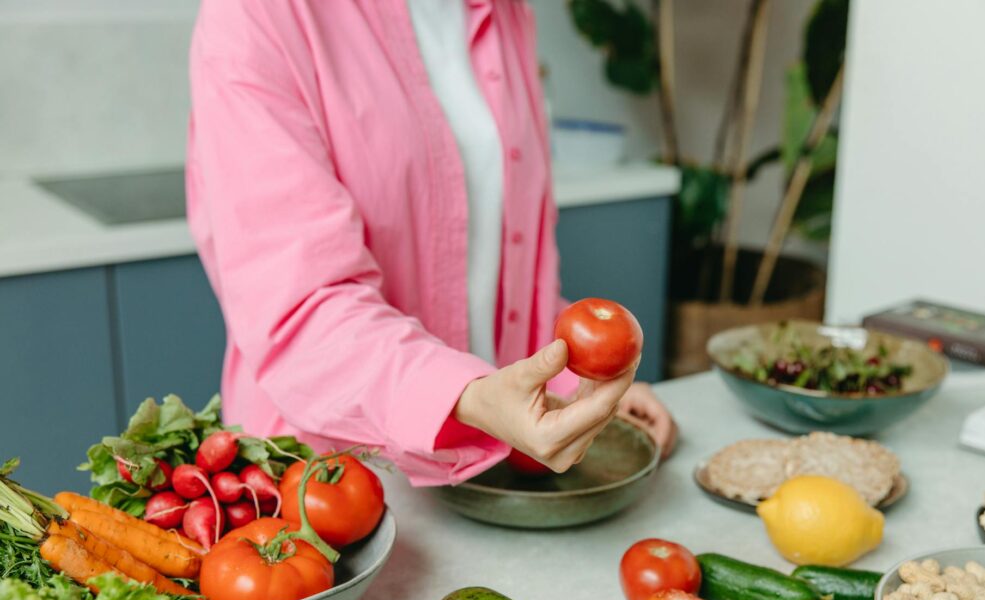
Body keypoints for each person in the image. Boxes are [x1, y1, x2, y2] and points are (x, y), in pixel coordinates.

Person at [186, 0, 677, 486]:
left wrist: (575, 384)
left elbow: (499, 269)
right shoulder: (258, 14)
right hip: (327, 491)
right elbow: (303, 309)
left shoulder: (505, 12)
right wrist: (470, 397)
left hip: (486, 472)